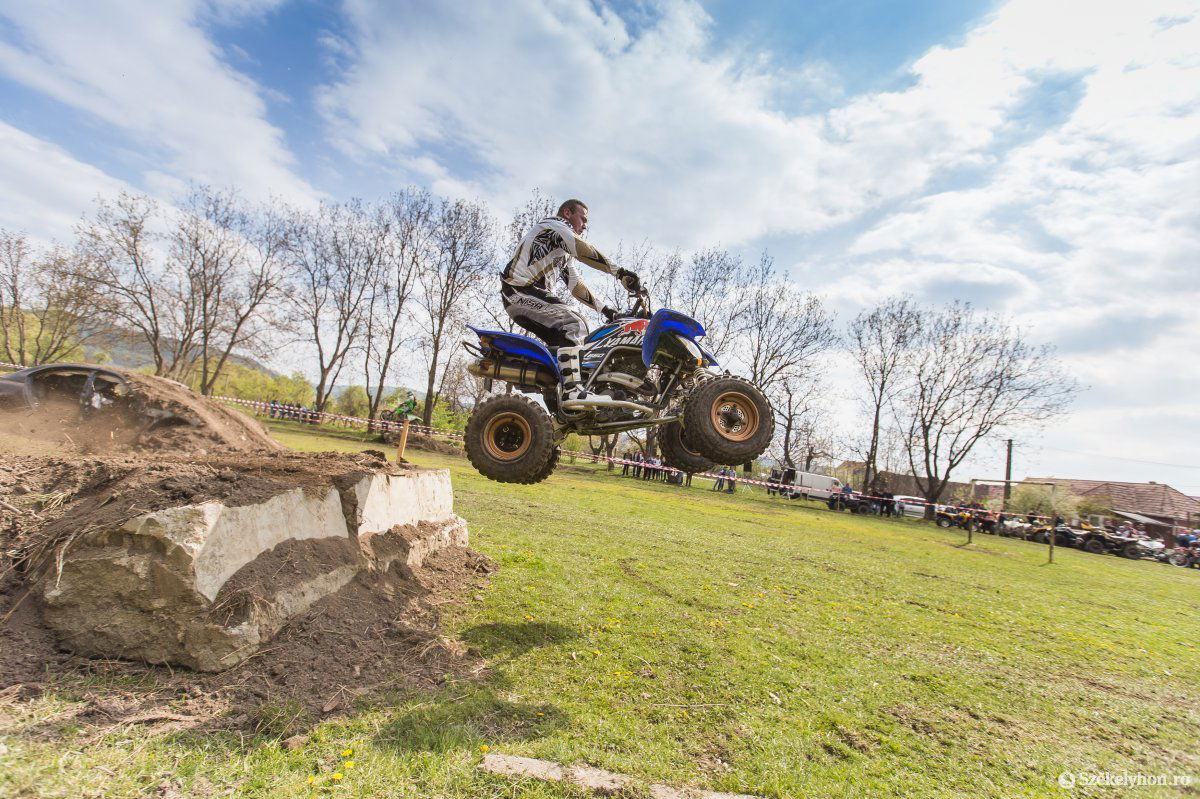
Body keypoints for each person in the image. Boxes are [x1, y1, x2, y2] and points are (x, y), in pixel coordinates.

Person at [500, 199, 641, 403]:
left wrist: (607, 311)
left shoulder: (562, 251)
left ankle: (558, 409)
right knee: (575, 322)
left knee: (564, 350)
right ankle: (572, 392)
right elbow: (582, 249)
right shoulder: (554, 226)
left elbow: (576, 286)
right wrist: (620, 273)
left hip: (526, 297)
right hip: (520, 291)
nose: (585, 225)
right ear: (567, 213)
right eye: (583, 219)